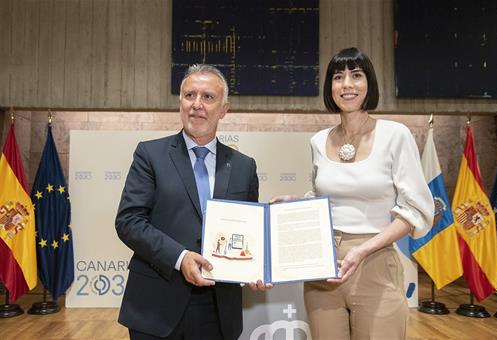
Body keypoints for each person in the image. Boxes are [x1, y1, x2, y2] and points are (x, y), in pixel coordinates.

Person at [272, 47, 434, 339]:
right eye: (338, 77)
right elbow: (327, 201)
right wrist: (296, 203)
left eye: (356, 75)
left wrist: (362, 250)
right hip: (323, 267)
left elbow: (415, 211)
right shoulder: (318, 141)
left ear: (368, 83)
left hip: (376, 262)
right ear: (330, 88)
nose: (346, 84)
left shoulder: (395, 135)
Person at [115, 64, 269, 340]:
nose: (196, 105)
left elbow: (249, 235)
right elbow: (129, 221)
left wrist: (257, 266)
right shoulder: (150, 154)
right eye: (189, 95)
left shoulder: (244, 167)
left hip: (218, 309)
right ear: (180, 102)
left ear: (224, 109)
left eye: (208, 97)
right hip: (156, 306)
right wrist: (180, 257)